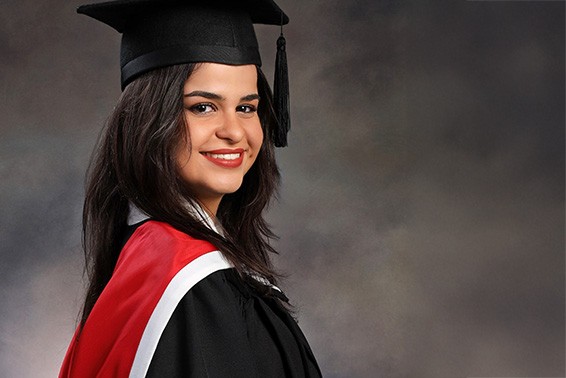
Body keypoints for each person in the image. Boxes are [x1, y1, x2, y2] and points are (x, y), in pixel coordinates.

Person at [58, 0, 322, 377]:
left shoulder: (146, 259)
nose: (234, 131)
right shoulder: (193, 285)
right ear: (149, 119)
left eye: (247, 108)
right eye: (203, 107)